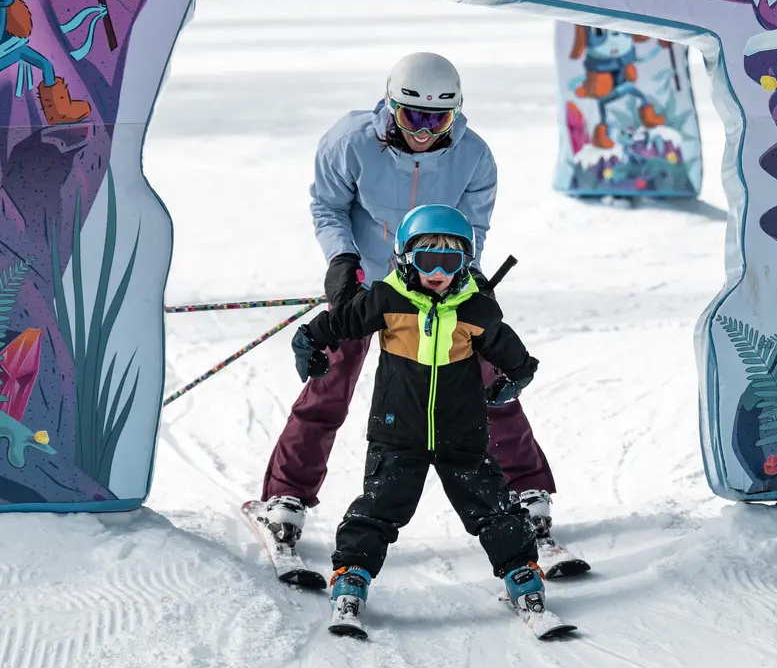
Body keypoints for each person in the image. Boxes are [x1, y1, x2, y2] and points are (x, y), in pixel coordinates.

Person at [250, 52, 588, 578]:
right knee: (329, 381)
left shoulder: (474, 156)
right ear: (390, 106)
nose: (426, 131)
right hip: (369, 285)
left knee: (486, 381)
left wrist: (470, 285)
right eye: (414, 117)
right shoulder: (350, 142)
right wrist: (342, 261)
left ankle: (527, 495)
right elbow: (327, 207)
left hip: (439, 286)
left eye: (440, 119)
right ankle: (285, 498)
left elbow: (473, 232)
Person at [291, 205, 554, 637]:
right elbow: (341, 322)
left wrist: (516, 380)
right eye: (426, 259)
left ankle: (521, 575)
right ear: (405, 259)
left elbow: (514, 356)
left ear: (465, 263)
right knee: (378, 508)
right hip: (397, 431)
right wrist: (309, 341)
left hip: (462, 433)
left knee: (492, 507)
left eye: (449, 261)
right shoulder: (387, 299)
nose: (437, 271)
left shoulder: (476, 310)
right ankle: (352, 576)